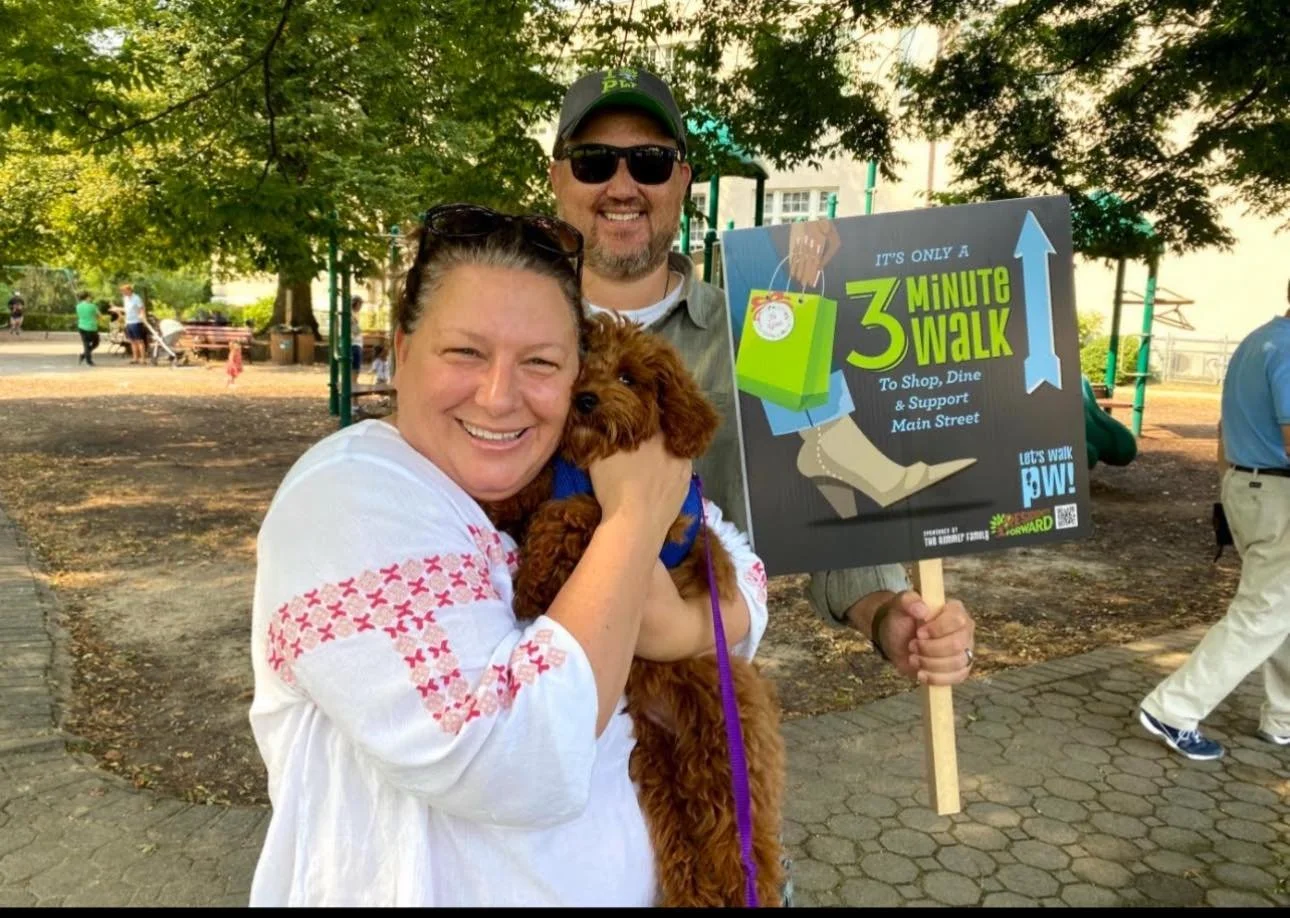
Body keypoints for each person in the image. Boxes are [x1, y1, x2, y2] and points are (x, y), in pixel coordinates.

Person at [249, 204, 772, 906]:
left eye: (541, 363)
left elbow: (745, 568)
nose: (499, 398)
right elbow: (513, 756)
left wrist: (682, 626)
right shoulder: (348, 496)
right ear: (402, 351)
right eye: (464, 353)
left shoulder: (559, 456)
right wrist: (632, 521)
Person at [548, 67, 976, 680]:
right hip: (530, 690)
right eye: (594, 161)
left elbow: (826, 490)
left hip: (692, 691)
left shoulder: (757, 328)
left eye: (650, 161)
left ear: (683, 179)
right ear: (558, 176)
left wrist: (887, 614)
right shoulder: (508, 341)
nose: (622, 185)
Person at [1139, 287, 1290, 760]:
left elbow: (1226, 427)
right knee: (1264, 612)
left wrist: (1229, 490)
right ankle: (1174, 708)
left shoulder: (1257, 341)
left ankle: (1284, 719)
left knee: (1279, 609)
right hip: (1278, 494)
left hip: (1248, 486)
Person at [119, 283, 147, 364]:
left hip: (136, 321)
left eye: (124, 291)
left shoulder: (136, 298)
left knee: (139, 341)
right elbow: (126, 309)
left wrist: (143, 316)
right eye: (122, 292)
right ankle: (135, 358)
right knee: (132, 341)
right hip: (128, 322)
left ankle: (143, 359)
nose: (123, 293)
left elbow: (141, 308)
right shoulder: (125, 298)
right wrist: (118, 309)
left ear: (129, 290)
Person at [74, 290, 101, 366]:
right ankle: (88, 361)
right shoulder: (93, 306)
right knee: (96, 343)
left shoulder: (78, 306)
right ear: (87, 297)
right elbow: (99, 316)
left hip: (82, 327)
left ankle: (84, 355)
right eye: (89, 297)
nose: (90, 298)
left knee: (86, 344)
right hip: (92, 327)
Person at [349, 294, 364, 385]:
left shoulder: (356, 314)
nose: (360, 306)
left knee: (356, 366)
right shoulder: (351, 315)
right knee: (355, 366)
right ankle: (353, 382)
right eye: (360, 304)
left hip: (357, 343)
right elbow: (355, 330)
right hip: (354, 343)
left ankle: (354, 381)